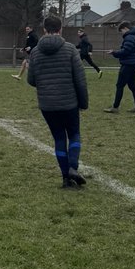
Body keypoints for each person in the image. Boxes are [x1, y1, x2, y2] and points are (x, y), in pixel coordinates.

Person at [27, 14, 89, 187]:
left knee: (59, 138)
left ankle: (65, 178)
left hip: (47, 105)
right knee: (74, 134)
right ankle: (73, 168)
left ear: (44, 30)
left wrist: (45, 83)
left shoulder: (35, 52)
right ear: (60, 29)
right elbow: (80, 80)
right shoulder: (70, 49)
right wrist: (83, 103)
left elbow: (31, 80)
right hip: (69, 103)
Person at [105, 22, 135, 113]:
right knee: (133, 86)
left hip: (127, 65)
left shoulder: (129, 37)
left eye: (121, 31)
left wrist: (114, 52)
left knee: (120, 85)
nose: (121, 33)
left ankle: (115, 107)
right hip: (133, 64)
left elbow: (125, 51)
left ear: (125, 28)